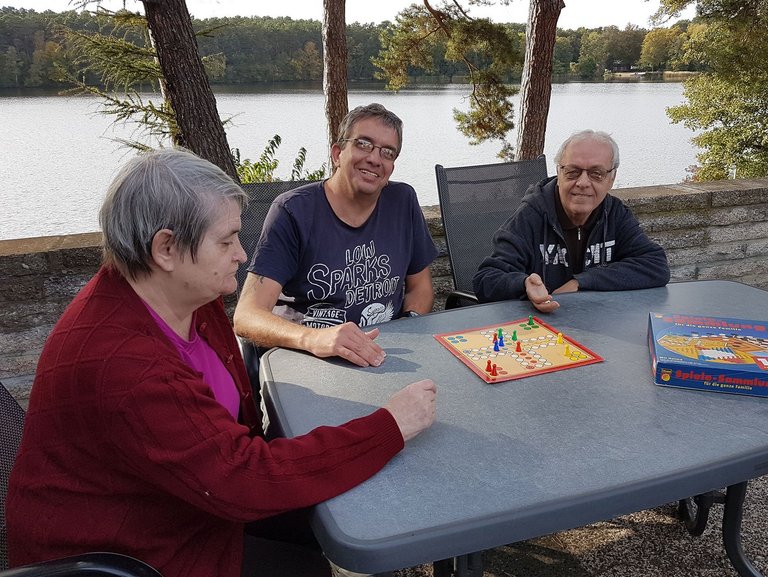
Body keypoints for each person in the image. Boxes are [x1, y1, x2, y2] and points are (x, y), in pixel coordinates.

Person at [6, 148, 437, 577]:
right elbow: (243, 480)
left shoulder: (187, 296)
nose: (242, 255)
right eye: (227, 240)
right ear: (167, 248)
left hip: (183, 500)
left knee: (325, 514)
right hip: (134, 552)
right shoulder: (125, 365)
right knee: (305, 564)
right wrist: (389, 426)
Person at [233, 103, 438, 369]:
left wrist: (409, 324)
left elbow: (420, 288)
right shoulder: (293, 211)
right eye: (364, 144)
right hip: (309, 360)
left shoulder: (403, 201)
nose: (375, 158)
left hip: (383, 355)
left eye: (388, 152)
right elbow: (247, 316)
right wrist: (314, 339)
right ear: (337, 153)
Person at [472, 130, 670, 312]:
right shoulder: (531, 214)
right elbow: (486, 280)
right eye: (573, 172)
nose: (583, 183)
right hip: (542, 328)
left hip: (598, 321)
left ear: (612, 178)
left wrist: (581, 283)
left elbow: (655, 265)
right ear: (559, 172)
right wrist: (523, 283)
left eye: (596, 174)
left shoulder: (615, 213)